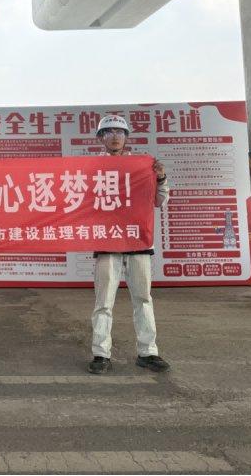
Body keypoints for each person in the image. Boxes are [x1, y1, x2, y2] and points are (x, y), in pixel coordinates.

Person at [89, 115, 170, 375]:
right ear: (101, 138)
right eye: (108, 132)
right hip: (107, 242)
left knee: (143, 299)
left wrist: (160, 178)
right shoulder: (92, 168)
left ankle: (148, 352)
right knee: (104, 302)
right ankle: (101, 354)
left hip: (138, 242)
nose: (114, 137)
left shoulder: (142, 166)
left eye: (119, 132)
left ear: (126, 137)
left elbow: (160, 201)